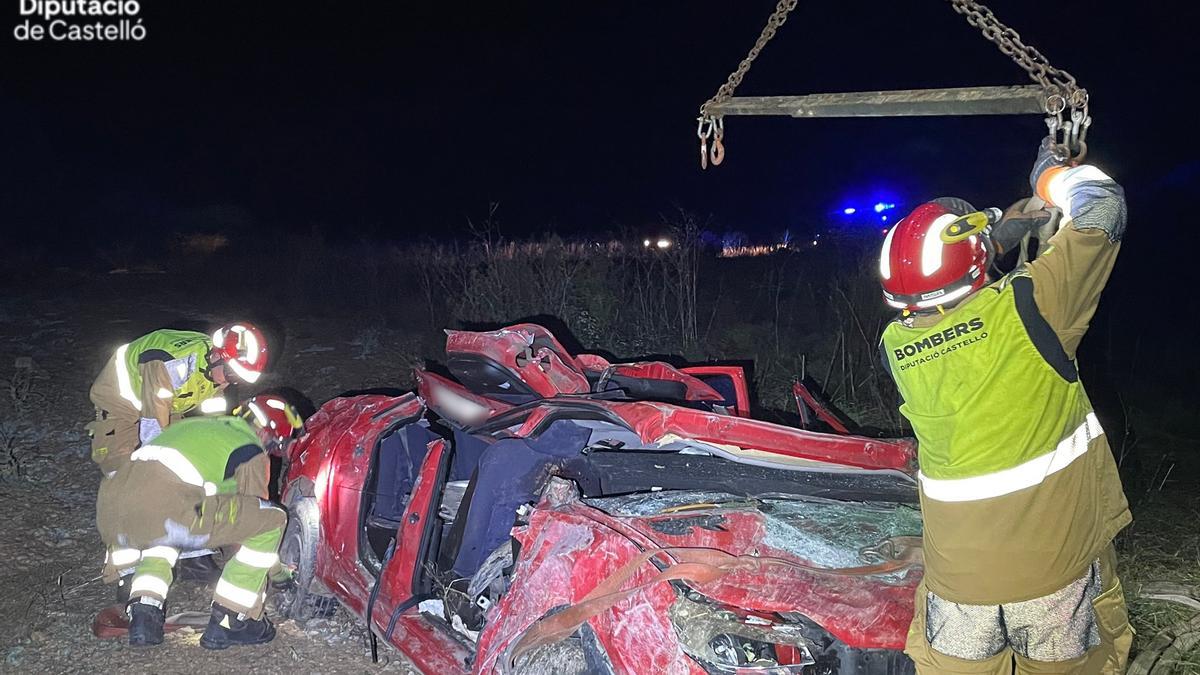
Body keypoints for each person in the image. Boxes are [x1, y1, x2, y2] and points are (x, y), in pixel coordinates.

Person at [877, 137, 1132, 673]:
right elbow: (1104, 205)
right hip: (1053, 581)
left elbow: (953, 279)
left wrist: (1002, 229)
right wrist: (1051, 175)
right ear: (975, 264)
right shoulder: (1031, 305)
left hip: (959, 589)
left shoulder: (896, 348)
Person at [96, 395, 304, 649]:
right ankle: (233, 619)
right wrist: (279, 574)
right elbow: (252, 524)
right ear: (267, 433)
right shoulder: (250, 449)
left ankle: (144, 613)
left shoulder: (196, 427)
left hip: (110, 509)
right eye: (274, 445)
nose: (272, 451)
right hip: (164, 508)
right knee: (272, 518)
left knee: (166, 533)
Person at [87, 323, 270, 476]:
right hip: (121, 406)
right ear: (216, 356)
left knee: (184, 460)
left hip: (168, 406)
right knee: (124, 473)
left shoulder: (218, 373)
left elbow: (216, 417)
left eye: (237, 379)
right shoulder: (173, 365)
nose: (228, 382)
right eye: (231, 374)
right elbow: (153, 428)